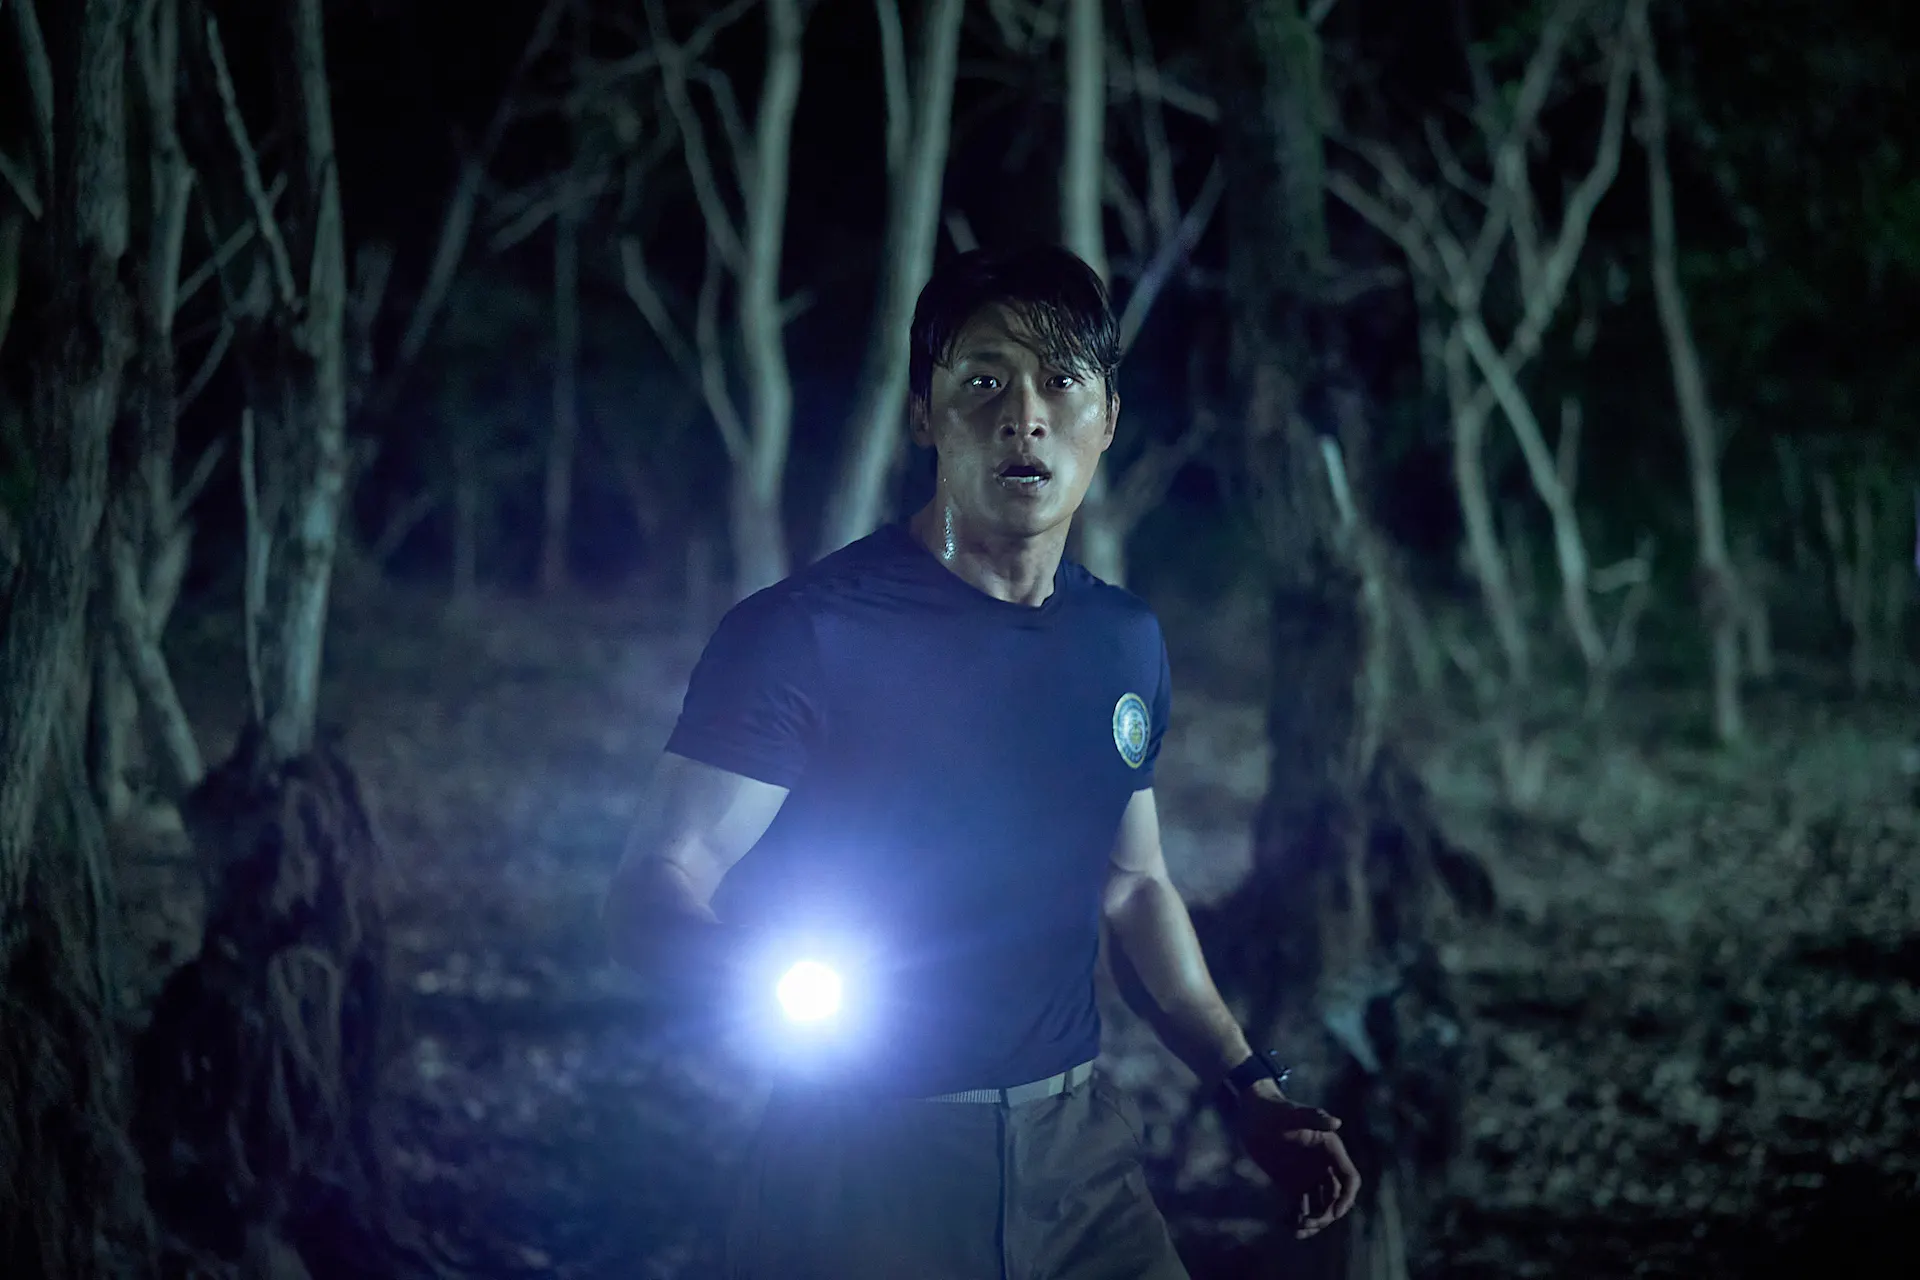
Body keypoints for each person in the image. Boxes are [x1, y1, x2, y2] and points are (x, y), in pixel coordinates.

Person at [603, 245, 1360, 1279]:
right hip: (862, 1161)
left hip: (1080, 1162)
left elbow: (1134, 885)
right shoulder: (806, 634)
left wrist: (1249, 1087)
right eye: (984, 381)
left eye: (1061, 382)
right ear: (925, 414)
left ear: (1108, 417)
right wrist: (760, 978)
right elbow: (657, 880)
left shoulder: (1122, 641)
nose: (1024, 416)